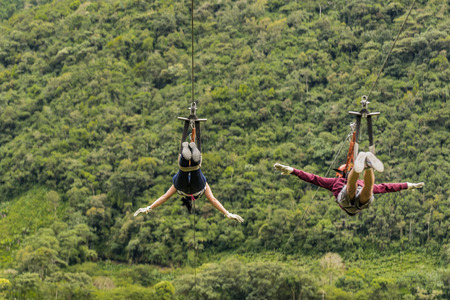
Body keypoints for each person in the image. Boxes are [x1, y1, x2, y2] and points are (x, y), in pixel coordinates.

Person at [274, 152, 424, 216]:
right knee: (351, 188)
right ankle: (364, 166)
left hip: (358, 203)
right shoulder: (334, 182)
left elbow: (386, 187)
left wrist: (408, 185)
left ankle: (368, 166)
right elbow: (312, 177)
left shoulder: (346, 181)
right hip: (345, 199)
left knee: (368, 189)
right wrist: (292, 170)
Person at [134, 141, 244, 223]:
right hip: (185, 187)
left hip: (197, 188)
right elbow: (213, 200)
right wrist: (227, 213)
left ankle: (193, 159)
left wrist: (149, 208)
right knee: (183, 170)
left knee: (195, 169)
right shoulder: (183, 191)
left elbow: (164, 197)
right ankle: (186, 159)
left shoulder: (200, 190)